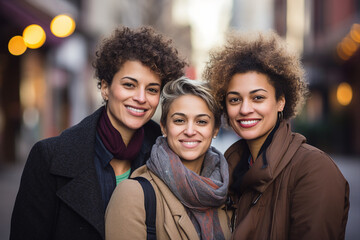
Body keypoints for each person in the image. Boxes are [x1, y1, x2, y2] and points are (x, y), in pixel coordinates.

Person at [10, 26, 187, 240]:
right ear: (105, 88)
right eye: (129, 85)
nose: (141, 97)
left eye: (152, 89)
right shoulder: (48, 157)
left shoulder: (168, 157)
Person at [203, 30, 350, 240]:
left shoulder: (314, 170)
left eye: (258, 98)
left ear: (281, 101)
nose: (245, 109)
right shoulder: (227, 170)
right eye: (235, 99)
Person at [105, 77, 231, 240]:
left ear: (215, 129)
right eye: (179, 120)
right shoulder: (133, 195)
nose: (190, 131)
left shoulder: (226, 192)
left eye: (201, 121)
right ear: (164, 126)